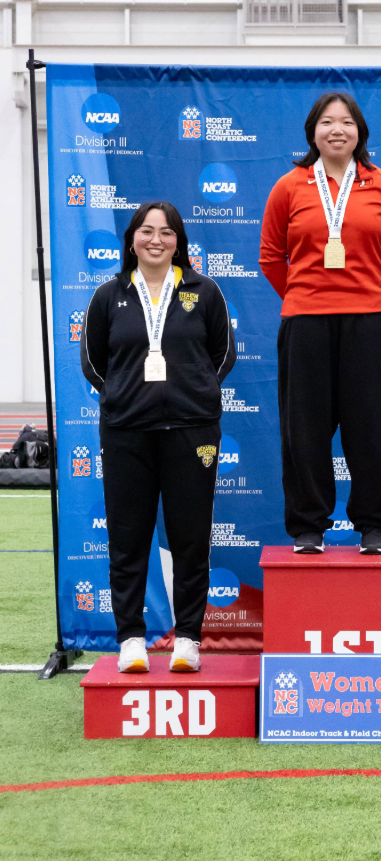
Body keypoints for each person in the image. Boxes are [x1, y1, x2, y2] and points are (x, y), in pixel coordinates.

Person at [81, 202, 236, 673]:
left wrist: (194, 392)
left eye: (166, 232)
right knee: (128, 540)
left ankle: (188, 637)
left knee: (192, 539)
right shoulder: (109, 296)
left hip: (192, 432)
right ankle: (130, 638)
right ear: (131, 239)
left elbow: (222, 354)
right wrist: (124, 398)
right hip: (128, 433)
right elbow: (92, 361)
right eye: (147, 231)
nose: (156, 239)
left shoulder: (203, 291)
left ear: (178, 241)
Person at [260, 92, 381, 555]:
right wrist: (308, 296)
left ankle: (375, 526)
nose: (337, 130)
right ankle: (309, 526)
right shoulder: (289, 187)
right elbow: (271, 258)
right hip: (305, 323)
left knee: (373, 429)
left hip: (371, 322)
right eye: (327, 122)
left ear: (360, 132)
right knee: (304, 430)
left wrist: (365, 293)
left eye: (346, 122)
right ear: (312, 132)